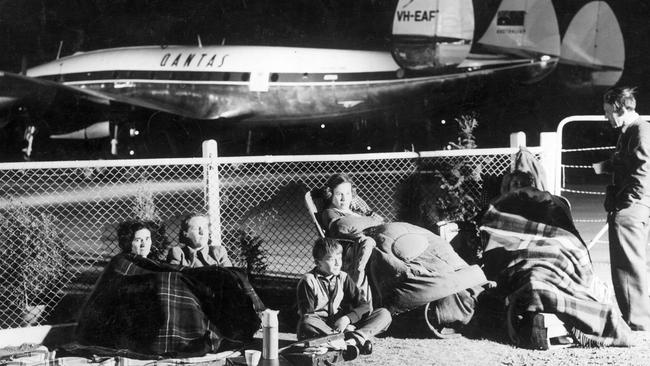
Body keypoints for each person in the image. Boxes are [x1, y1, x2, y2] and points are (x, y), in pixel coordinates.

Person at [596, 86, 650, 330]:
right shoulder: (631, 130)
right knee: (629, 263)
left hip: (631, 205)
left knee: (627, 265)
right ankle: (636, 317)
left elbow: (643, 169)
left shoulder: (640, 129)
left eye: (609, 112)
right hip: (631, 202)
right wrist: (606, 166)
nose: (607, 117)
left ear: (621, 109)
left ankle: (637, 321)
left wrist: (629, 202)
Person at [296, 237, 392, 349]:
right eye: (331, 259)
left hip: (341, 325)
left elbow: (364, 306)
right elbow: (308, 315)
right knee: (307, 321)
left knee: (384, 314)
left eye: (339, 258)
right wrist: (334, 331)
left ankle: (353, 339)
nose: (338, 263)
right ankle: (346, 340)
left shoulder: (343, 277)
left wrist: (347, 319)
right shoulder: (308, 280)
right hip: (320, 328)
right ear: (318, 262)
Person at [319, 174, 382, 296]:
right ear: (330, 194)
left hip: (372, 245)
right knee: (368, 242)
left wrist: (365, 218)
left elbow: (378, 219)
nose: (344, 199)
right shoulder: (330, 212)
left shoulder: (354, 210)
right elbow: (342, 226)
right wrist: (372, 220)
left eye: (347, 194)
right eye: (339, 194)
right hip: (351, 250)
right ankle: (355, 290)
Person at [167, 212, 232, 267]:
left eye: (205, 228)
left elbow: (231, 278)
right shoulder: (178, 254)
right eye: (196, 228)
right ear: (185, 233)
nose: (202, 232)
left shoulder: (218, 252)